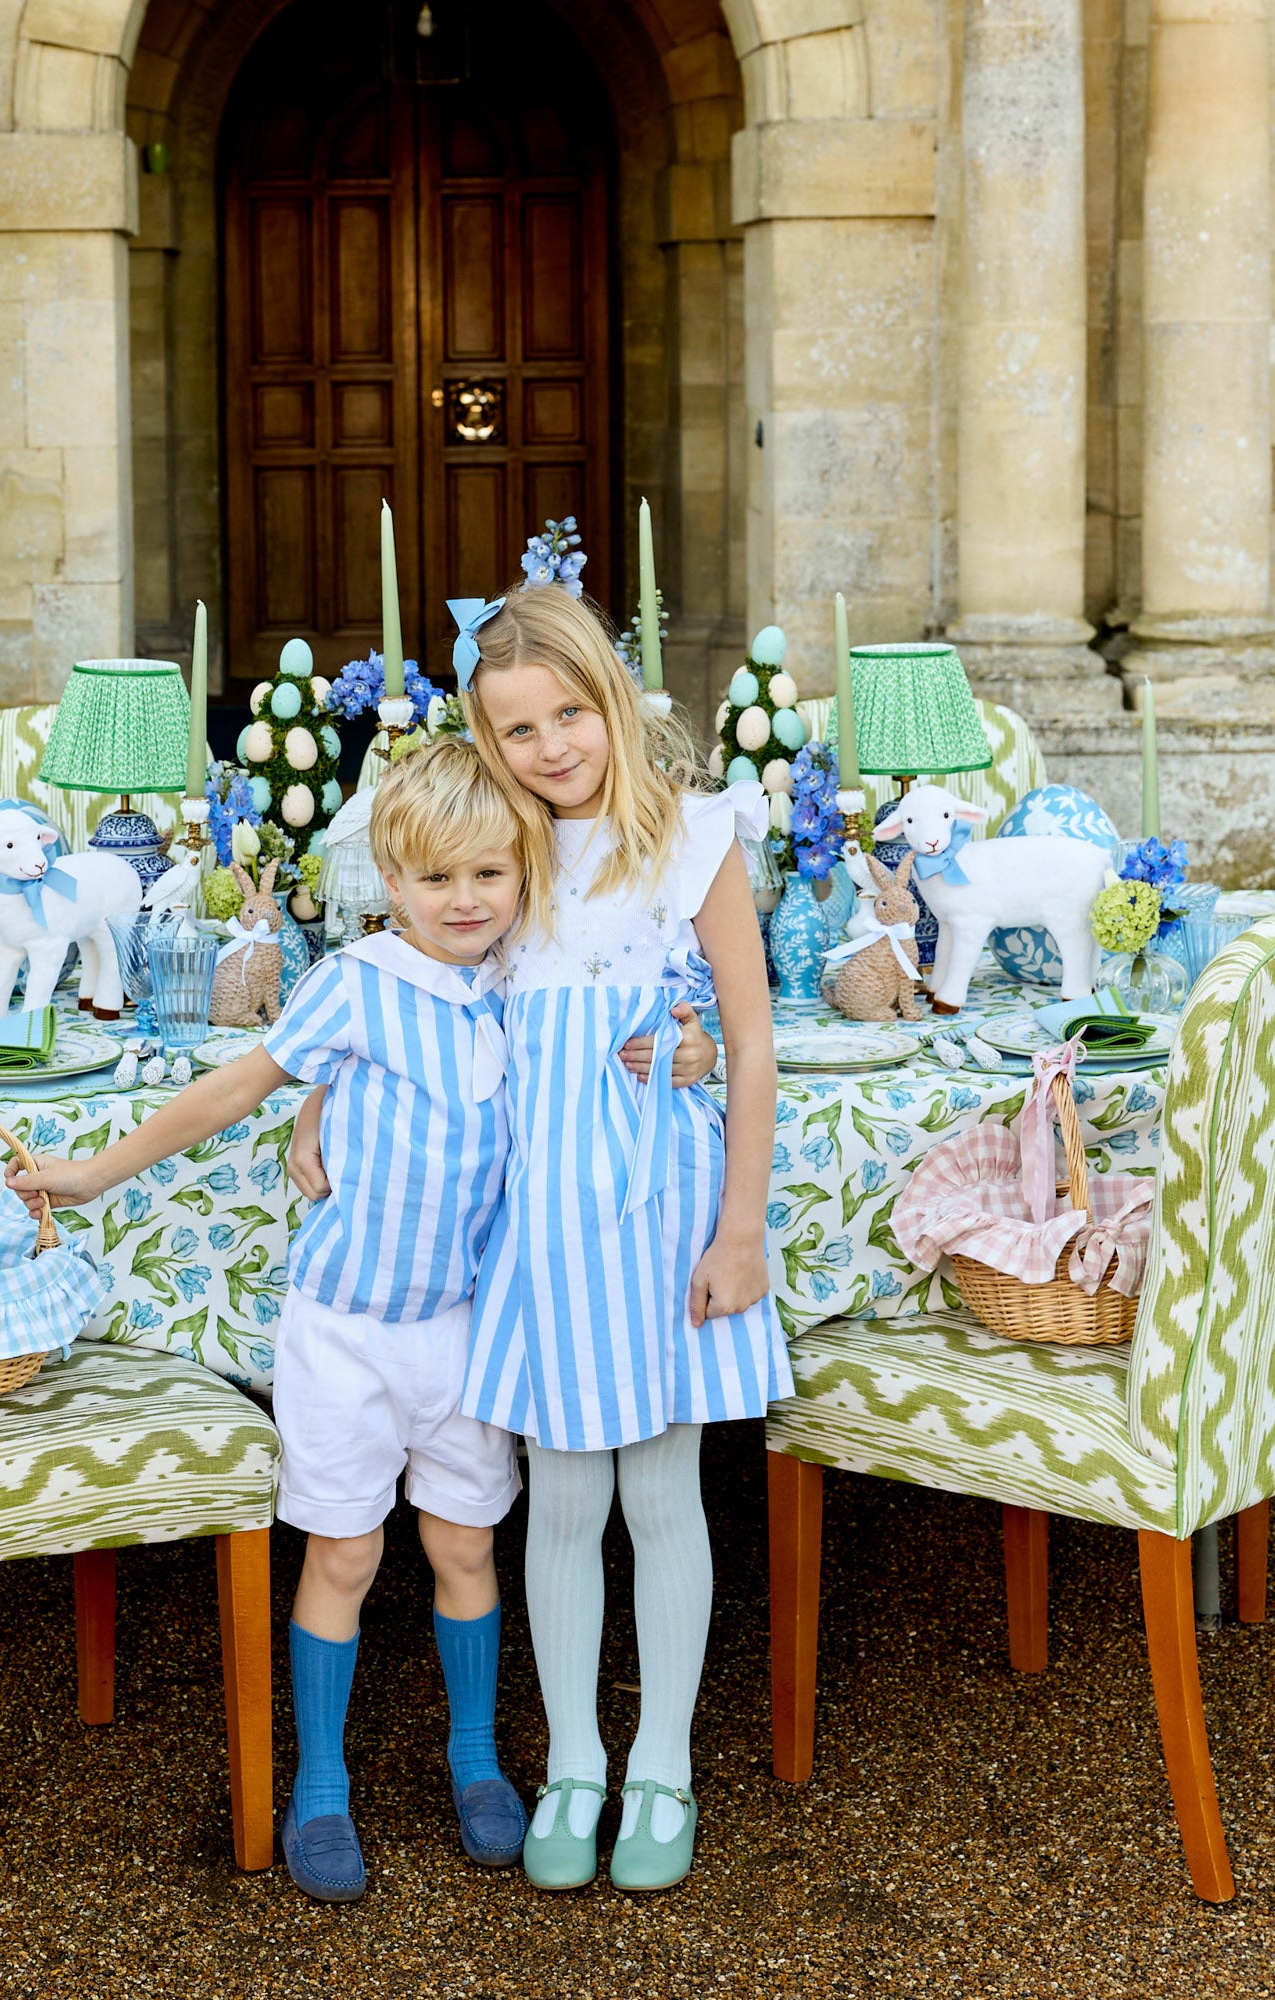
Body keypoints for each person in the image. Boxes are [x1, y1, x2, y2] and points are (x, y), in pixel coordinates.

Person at [10, 742, 537, 1903]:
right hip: (345, 1330)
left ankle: (474, 1752)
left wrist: (692, 1044)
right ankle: (319, 1779)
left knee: (461, 1544)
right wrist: (96, 1171)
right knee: (344, 1550)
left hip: (463, 1327)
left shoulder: (523, 979)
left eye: (488, 875)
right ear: (390, 881)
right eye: (436, 879)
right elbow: (234, 1085)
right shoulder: (353, 978)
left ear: (522, 875)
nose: (464, 901)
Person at [448, 583, 790, 1894]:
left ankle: (662, 1762)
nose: (552, 748)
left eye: (570, 714)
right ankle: (575, 1758)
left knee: (660, 1493)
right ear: (491, 743)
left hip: (659, 1214)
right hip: (542, 1229)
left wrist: (743, 1225)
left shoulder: (697, 839)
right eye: (519, 729)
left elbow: (749, 1039)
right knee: (562, 1499)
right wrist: (321, 1091)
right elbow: (420, 991)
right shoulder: (500, 850)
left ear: (610, 697)